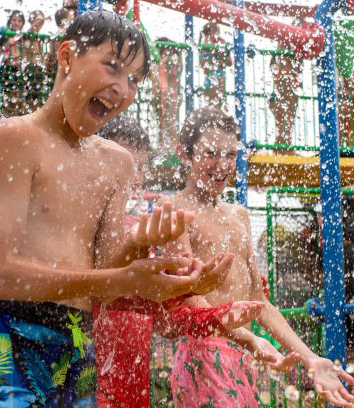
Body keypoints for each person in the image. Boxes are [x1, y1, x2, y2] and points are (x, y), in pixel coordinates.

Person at [0, 10, 216, 407]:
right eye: (111, 66)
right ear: (66, 56)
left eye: (133, 80)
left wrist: (148, 250)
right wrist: (125, 277)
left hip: (77, 339)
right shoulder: (15, 138)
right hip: (6, 331)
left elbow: (109, 272)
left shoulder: (117, 163)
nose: (121, 88)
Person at [162, 109, 354, 407]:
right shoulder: (175, 210)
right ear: (184, 154)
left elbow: (259, 303)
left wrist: (310, 358)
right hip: (202, 353)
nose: (223, 164)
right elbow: (191, 299)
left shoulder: (239, 215)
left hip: (243, 355)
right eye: (210, 153)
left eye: (231, 154)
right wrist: (248, 339)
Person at [93, 116, 265, 407]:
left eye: (140, 167)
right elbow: (102, 293)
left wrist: (192, 292)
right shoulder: (84, 229)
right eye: (125, 165)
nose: (134, 177)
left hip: (131, 380)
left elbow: (160, 315)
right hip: (85, 369)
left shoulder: (141, 228)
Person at [269, 22, 304, 148]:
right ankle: (282, 148)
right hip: (283, 91)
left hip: (287, 90)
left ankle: (284, 147)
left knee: (287, 121)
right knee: (284, 121)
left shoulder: (290, 56)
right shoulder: (282, 55)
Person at [152, 37, 183, 149]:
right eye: (168, 50)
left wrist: (179, 54)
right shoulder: (159, 63)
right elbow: (156, 77)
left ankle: (173, 147)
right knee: (162, 121)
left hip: (172, 93)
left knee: (173, 121)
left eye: (173, 51)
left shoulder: (173, 64)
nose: (171, 54)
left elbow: (181, 68)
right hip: (162, 93)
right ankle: (164, 146)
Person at [0, 10, 26, 117]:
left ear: (22, 24)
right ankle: (5, 116)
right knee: (6, 96)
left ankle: (15, 117)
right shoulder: (5, 36)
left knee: (17, 97)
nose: (16, 23)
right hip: (6, 67)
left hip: (17, 68)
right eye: (14, 20)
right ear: (9, 21)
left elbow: (25, 56)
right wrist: (5, 45)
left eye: (19, 21)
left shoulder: (23, 37)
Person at [199, 23, 232, 109]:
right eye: (218, 33)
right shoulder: (207, 45)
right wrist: (224, 44)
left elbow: (230, 63)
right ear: (211, 32)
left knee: (216, 108)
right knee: (213, 108)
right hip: (212, 80)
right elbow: (225, 58)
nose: (219, 36)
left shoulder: (214, 45)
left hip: (218, 78)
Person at [23, 10, 50, 111]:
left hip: (39, 69)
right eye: (36, 19)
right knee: (30, 99)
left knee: (39, 99)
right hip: (31, 67)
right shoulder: (29, 34)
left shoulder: (40, 36)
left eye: (40, 19)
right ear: (30, 20)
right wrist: (42, 19)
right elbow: (31, 29)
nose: (39, 22)